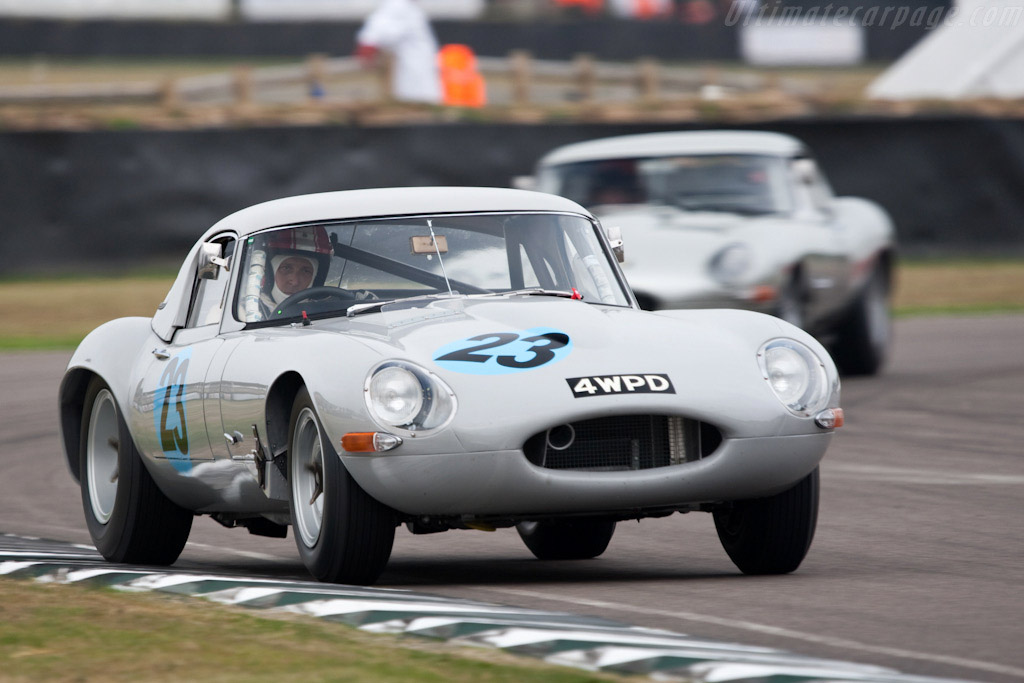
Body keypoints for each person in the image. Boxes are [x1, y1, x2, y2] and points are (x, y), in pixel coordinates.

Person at [356, 0, 443, 104]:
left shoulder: (410, 8)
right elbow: (372, 37)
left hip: (419, 83)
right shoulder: (398, 6)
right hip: (411, 86)